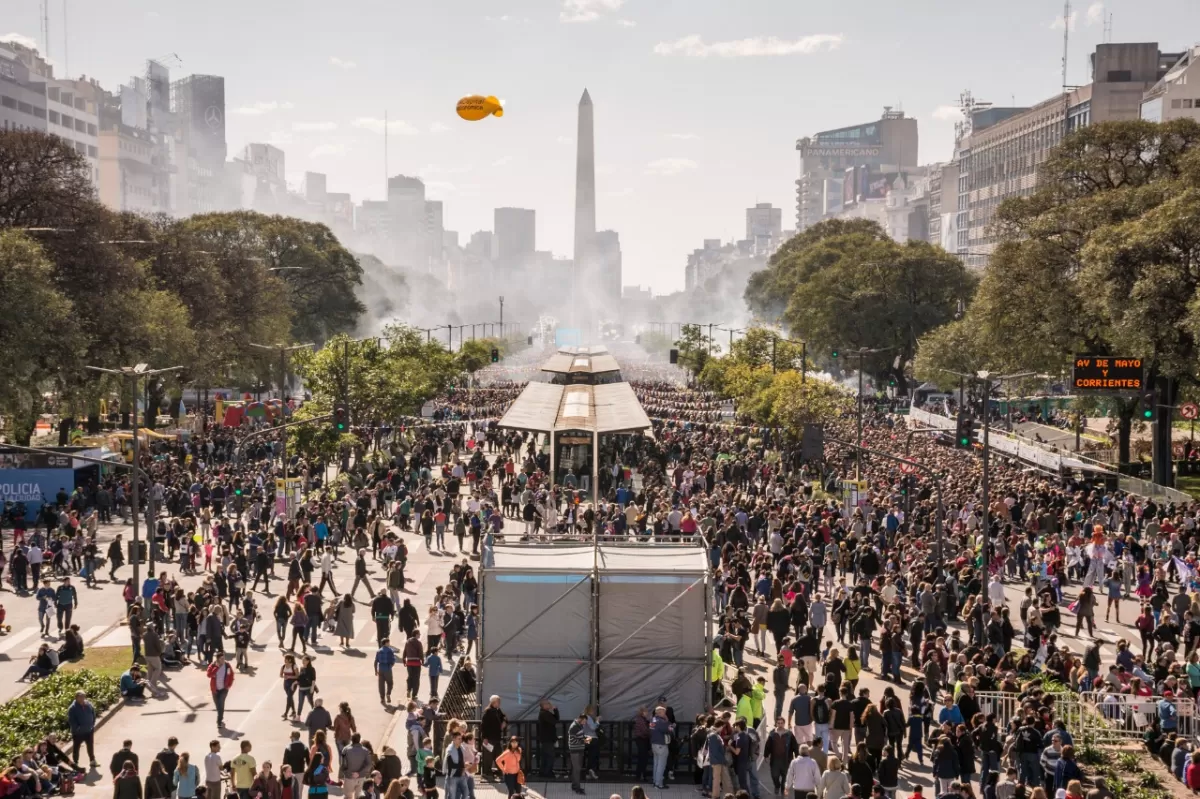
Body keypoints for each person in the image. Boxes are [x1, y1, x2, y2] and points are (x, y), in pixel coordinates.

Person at [68, 691, 98, 769]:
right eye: (80, 697)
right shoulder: (72, 708)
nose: (82, 698)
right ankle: (76, 763)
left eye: (83, 696)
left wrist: (92, 723)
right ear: (76, 697)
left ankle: (92, 761)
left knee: (90, 746)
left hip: (89, 730)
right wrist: (78, 729)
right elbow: (72, 721)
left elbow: (93, 713)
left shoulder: (88, 704)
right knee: (76, 748)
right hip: (78, 733)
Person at [207, 651, 234, 728]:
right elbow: (209, 675)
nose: (223, 660)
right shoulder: (213, 665)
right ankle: (220, 716)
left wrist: (229, 685)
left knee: (221, 704)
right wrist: (217, 667)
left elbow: (231, 675)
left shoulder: (227, 665)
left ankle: (219, 721)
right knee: (218, 705)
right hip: (215, 689)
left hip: (224, 689)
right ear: (218, 659)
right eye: (221, 658)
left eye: (224, 658)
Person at [376, 638, 397, 705]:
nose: (389, 644)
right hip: (387, 669)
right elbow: (393, 660)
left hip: (381, 669)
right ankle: (388, 694)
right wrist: (390, 666)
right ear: (386, 643)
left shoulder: (379, 651)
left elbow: (376, 661)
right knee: (390, 683)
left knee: (381, 685)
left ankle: (382, 698)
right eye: (388, 642)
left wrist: (376, 670)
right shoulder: (390, 651)